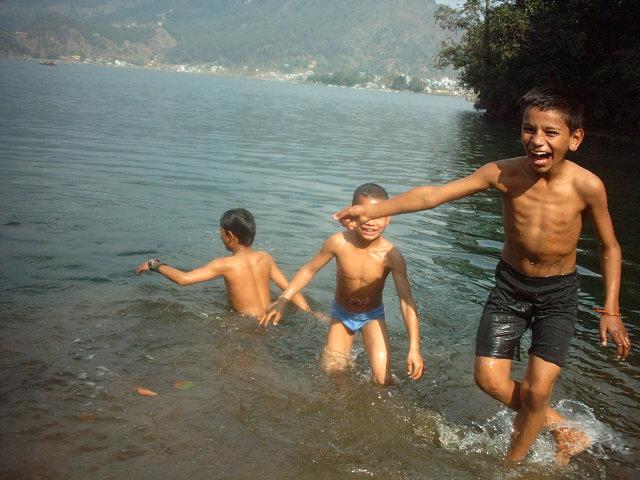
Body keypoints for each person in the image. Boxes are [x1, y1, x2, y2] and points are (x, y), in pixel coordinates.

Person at [333, 87, 631, 465]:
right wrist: (372, 211)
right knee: (488, 379)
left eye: (550, 132)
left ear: (575, 139)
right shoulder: (503, 173)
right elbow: (431, 195)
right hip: (510, 288)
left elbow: (610, 247)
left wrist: (611, 309)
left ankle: (511, 467)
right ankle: (563, 428)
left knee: (538, 391)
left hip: (557, 294)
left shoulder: (587, 186)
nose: (537, 140)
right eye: (529, 129)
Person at [260, 183, 425, 385]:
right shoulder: (338, 243)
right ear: (352, 212)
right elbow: (309, 270)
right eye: (365, 216)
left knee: (382, 379)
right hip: (342, 314)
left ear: (388, 217)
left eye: (378, 216)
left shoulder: (391, 256)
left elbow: (406, 302)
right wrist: (283, 299)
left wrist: (414, 348)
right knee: (332, 374)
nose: (371, 223)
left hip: (371, 316)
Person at [135, 208, 309, 317]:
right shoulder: (265, 258)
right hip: (271, 320)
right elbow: (290, 289)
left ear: (230, 236)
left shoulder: (225, 264)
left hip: (248, 326)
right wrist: (310, 314)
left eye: (221, 232)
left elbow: (183, 279)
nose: (220, 236)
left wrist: (155, 265)